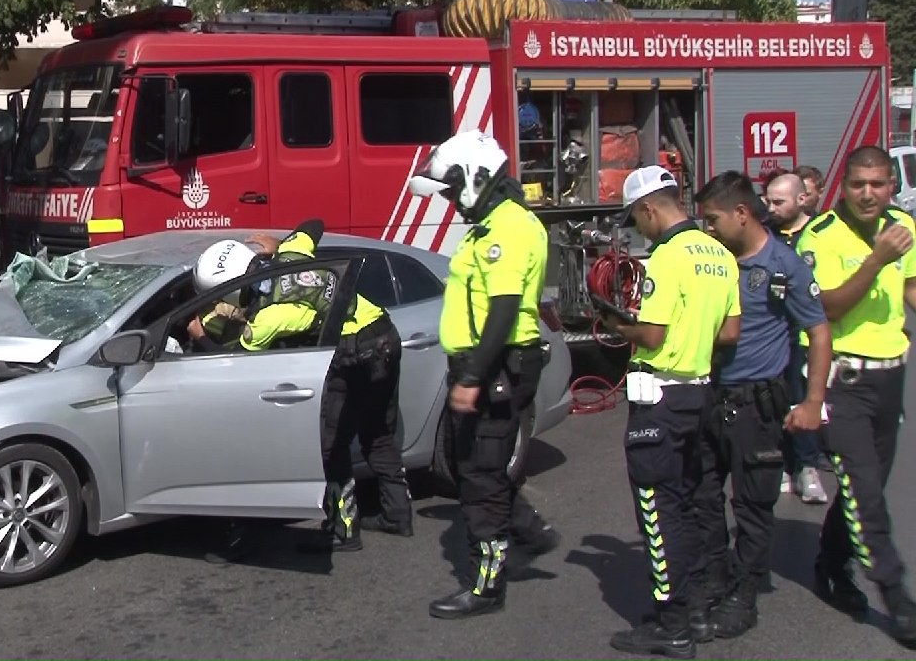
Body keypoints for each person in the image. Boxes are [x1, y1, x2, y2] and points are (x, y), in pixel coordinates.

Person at [186, 221, 412, 560]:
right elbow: (313, 226)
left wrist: (198, 334)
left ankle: (344, 530)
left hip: (353, 353)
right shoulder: (293, 252)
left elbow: (232, 361)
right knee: (378, 433)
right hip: (385, 336)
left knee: (331, 446)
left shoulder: (269, 318)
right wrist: (278, 244)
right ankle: (398, 515)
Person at [407, 130, 559, 621]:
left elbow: (503, 309)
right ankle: (529, 531)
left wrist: (472, 376)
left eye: (451, 192)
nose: (450, 203)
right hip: (488, 366)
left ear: (474, 179)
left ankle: (484, 584)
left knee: (479, 481)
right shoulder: (493, 224)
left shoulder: (506, 228)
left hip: (496, 366)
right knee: (480, 467)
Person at [596, 165, 741, 657]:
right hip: (699, 395)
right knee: (692, 505)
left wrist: (617, 325)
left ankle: (672, 622)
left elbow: (652, 335)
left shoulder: (666, 257)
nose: (639, 229)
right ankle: (696, 609)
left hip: (659, 398)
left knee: (659, 514)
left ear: (649, 208)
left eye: (637, 220)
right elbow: (728, 334)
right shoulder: (721, 254)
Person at [692, 171, 832, 639]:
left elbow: (817, 331)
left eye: (713, 220)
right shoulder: (714, 260)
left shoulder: (783, 266)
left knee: (752, 504)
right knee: (703, 496)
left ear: (741, 213)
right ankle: (715, 575)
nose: (708, 229)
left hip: (757, 404)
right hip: (710, 397)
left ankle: (745, 592)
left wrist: (813, 401)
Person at [795, 145, 916, 646]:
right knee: (865, 494)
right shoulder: (819, 235)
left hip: (891, 378)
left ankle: (829, 564)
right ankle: (897, 597)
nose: (869, 193)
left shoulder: (901, 227)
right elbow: (828, 308)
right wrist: (876, 259)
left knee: (862, 489)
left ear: (892, 186)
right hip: (842, 381)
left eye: (879, 184)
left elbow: (909, 290)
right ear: (842, 185)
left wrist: (894, 261)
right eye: (859, 183)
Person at [764, 172, 833, 501]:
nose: (771, 208)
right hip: (778, 335)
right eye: (767, 201)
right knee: (778, 401)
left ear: (801, 199)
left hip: (809, 336)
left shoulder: (820, 234)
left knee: (806, 401)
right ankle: (785, 466)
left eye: (778, 202)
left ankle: (809, 467)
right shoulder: (767, 235)